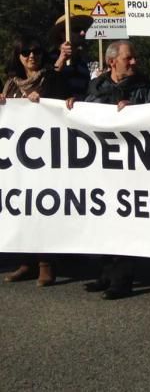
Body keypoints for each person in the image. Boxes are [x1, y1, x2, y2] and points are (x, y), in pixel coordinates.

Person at [76, 40, 150, 299]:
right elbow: (85, 116)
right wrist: (73, 105)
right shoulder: (97, 86)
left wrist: (135, 113)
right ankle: (106, 273)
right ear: (112, 61)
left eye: (134, 58)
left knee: (125, 222)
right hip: (103, 166)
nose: (134, 62)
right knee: (104, 220)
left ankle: (122, 280)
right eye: (129, 58)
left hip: (132, 168)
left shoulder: (145, 88)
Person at [0, 37, 68, 286]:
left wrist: (46, 99)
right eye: (26, 52)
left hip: (46, 157)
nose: (32, 56)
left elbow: (63, 105)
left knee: (43, 209)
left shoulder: (51, 78)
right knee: (20, 208)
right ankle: (26, 262)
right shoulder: (11, 85)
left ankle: (46, 263)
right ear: (18, 57)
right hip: (18, 160)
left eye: (36, 51)